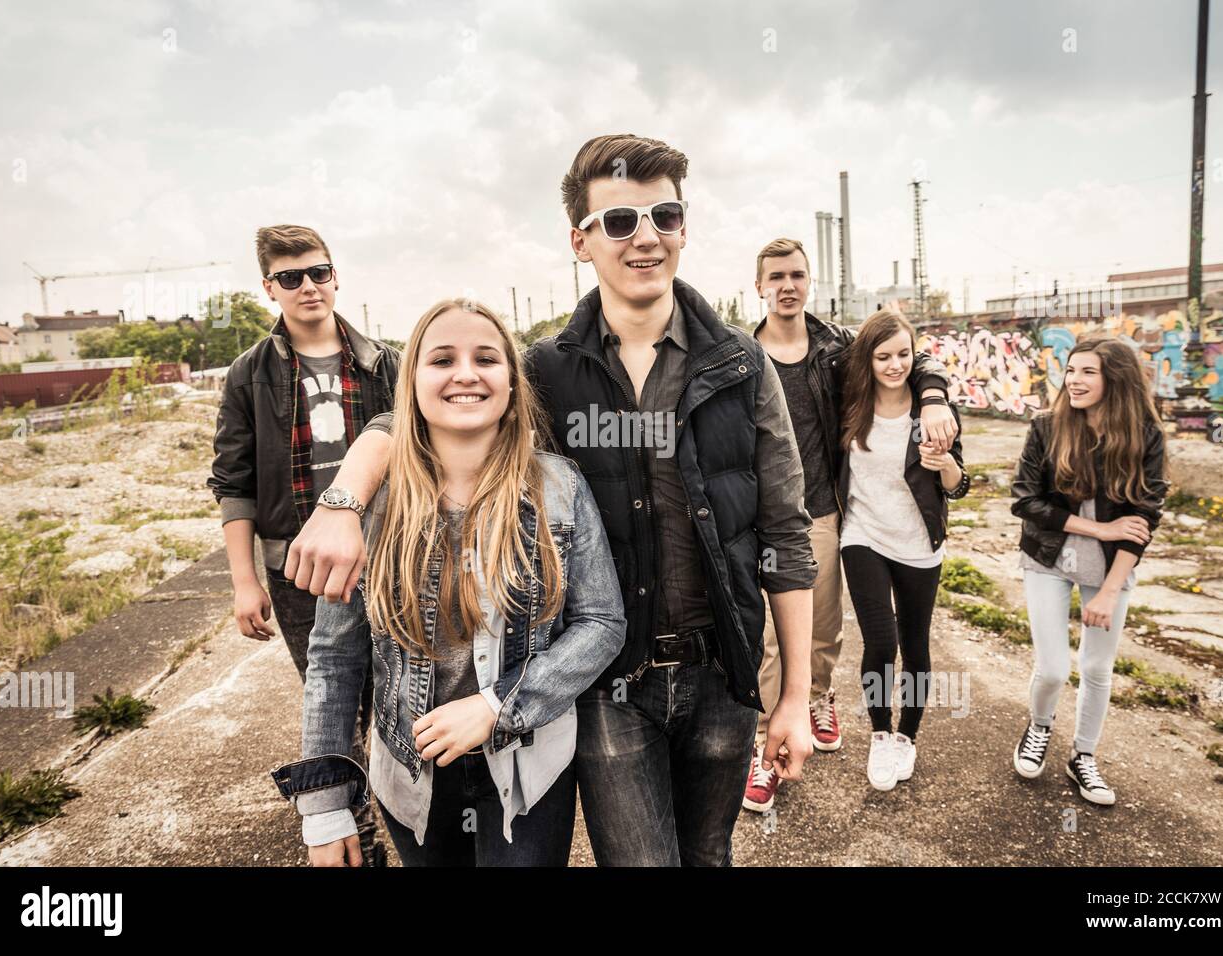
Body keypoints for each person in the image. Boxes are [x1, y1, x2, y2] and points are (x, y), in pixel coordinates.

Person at [287, 135, 960, 865]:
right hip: (608, 687)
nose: (645, 237)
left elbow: (786, 538)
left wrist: (793, 695)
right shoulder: (548, 368)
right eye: (618, 221)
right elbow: (429, 411)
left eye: (663, 216)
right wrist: (346, 497)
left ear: (683, 227)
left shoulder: (743, 364)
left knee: (709, 858)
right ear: (581, 240)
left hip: (722, 674)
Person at [271, 298, 625, 866]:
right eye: (442, 359)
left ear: (512, 383)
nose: (465, 373)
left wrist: (497, 705)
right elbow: (334, 659)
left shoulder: (559, 486)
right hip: (413, 775)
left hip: (528, 763)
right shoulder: (371, 504)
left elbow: (602, 624)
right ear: (411, 383)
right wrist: (324, 804)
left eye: (486, 358)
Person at [208, 224, 397, 863]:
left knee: (401, 700)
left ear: (336, 275)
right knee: (336, 707)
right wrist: (243, 581)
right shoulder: (247, 375)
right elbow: (232, 482)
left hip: (388, 557)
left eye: (318, 272)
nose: (308, 286)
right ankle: (353, 841)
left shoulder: (385, 363)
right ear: (270, 288)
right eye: (291, 278)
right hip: (297, 573)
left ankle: (421, 830)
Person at [743, 241, 953, 813]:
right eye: (776, 277)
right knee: (768, 637)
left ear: (809, 281)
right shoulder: (738, 352)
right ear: (759, 285)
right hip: (760, 516)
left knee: (823, 626)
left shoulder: (836, 347)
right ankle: (766, 750)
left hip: (823, 510)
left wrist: (933, 397)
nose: (788, 285)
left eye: (797, 274)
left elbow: (907, 353)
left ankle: (816, 697)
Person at [1010, 336, 1168, 806]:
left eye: (1087, 372)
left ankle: (1083, 757)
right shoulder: (1046, 427)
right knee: (1055, 668)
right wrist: (1099, 529)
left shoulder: (1145, 435)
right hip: (1048, 558)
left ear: (1114, 380)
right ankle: (1039, 727)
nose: (1073, 381)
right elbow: (1025, 501)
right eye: (1071, 370)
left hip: (1110, 571)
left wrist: (1109, 590)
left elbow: (1144, 519)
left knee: (1098, 668)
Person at [836, 310, 967, 792]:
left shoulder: (933, 410)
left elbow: (959, 486)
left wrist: (945, 464)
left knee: (915, 644)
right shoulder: (850, 401)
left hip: (918, 544)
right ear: (867, 359)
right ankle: (879, 733)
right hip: (862, 534)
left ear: (916, 356)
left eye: (903, 355)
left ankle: (906, 738)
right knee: (880, 642)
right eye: (883, 356)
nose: (894, 365)